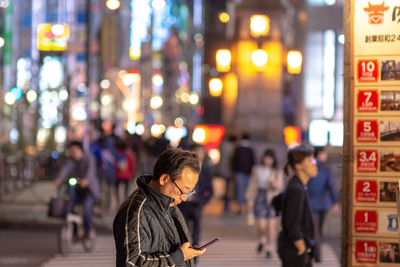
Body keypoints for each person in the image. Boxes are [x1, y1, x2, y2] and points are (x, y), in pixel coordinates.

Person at [113, 149, 206, 267]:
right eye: (184, 190)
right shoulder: (136, 211)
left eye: (189, 192)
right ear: (164, 179)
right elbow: (131, 263)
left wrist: (186, 253)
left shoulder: (171, 204)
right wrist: (178, 257)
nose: (184, 198)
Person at [278, 145, 317, 267]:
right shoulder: (296, 188)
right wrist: (300, 246)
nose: (314, 164)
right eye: (310, 161)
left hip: (296, 247)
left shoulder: (299, 185)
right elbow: (291, 222)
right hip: (293, 248)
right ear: (298, 165)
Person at [55, 141, 100, 237]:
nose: (73, 153)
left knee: (87, 208)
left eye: (75, 151)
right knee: (69, 206)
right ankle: (74, 231)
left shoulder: (89, 158)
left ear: (81, 150)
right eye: (71, 151)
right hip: (77, 189)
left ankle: (87, 231)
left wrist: (86, 180)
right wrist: (59, 179)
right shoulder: (70, 160)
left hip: (89, 190)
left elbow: (91, 171)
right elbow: (65, 169)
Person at [245, 149, 284, 258]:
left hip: (272, 199)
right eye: (266, 158)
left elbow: (280, 187)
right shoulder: (257, 169)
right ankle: (262, 239)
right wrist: (249, 199)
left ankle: (269, 247)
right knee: (261, 225)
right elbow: (252, 184)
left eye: (270, 158)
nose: (268, 160)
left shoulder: (277, 171)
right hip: (260, 197)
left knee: (271, 226)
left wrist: (274, 184)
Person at [307, 147, 338, 263]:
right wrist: (334, 201)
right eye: (324, 154)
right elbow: (331, 186)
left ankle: (315, 254)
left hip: (311, 203)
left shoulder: (310, 168)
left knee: (314, 229)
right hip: (324, 203)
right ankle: (318, 255)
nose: (326, 156)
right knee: (319, 229)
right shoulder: (326, 169)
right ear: (320, 155)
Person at [179, 144, 214, 249]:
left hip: (197, 204)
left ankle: (195, 252)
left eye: (200, 152)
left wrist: (202, 202)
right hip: (184, 204)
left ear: (204, 154)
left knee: (196, 230)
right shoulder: (183, 168)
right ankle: (185, 250)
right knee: (184, 229)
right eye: (195, 152)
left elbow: (210, 190)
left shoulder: (206, 170)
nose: (198, 155)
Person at [231, 133, 255, 214]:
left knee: (240, 191)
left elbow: (234, 161)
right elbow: (253, 162)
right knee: (247, 191)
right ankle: (247, 208)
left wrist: (234, 171)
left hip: (239, 173)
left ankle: (240, 207)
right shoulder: (251, 149)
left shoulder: (238, 148)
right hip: (248, 173)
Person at [114, 140, 136, 205]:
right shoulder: (129, 155)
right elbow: (132, 166)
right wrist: (132, 175)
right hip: (126, 176)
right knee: (126, 190)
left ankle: (118, 202)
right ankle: (125, 203)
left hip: (117, 175)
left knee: (117, 189)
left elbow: (114, 165)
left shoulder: (116, 154)